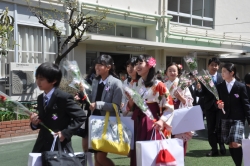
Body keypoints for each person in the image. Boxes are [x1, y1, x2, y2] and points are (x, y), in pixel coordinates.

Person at [124, 54, 174, 166]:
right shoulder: (136, 84)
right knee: (138, 154)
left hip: (151, 124)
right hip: (138, 122)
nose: (137, 66)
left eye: (140, 63)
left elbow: (169, 107)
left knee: (150, 154)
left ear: (149, 65)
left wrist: (161, 121)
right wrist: (130, 102)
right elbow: (130, 107)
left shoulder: (159, 85)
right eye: (136, 64)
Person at [30, 62, 86, 153]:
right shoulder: (40, 98)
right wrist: (34, 123)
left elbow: (81, 116)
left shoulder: (63, 97)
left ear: (54, 81)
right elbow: (44, 120)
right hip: (41, 145)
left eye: (41, 79)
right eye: (37, 78)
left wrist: (65, 133)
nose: (38, 81)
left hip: (59, 145)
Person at [87, 54, 123, 166]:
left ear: (108, 67)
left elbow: (116, 106)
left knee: (101, 157)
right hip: (95, 121)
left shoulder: (116, 83)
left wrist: (98, 104)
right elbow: (92, 99)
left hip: (107, 123)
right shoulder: (95, 81)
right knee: (97, 158)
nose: (96, 67)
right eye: (96, 65)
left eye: (100, 65)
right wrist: (83, 95)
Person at [217, 63, 250, 166]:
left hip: (238, 119)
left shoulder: (240, 86)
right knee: (231, 145)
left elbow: (246, 104)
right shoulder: (220, 86)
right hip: (225, 118)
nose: (222, 74)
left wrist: (249, 120)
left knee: (235, 143)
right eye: (221, 71)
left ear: (232, 73)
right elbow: (217, 101)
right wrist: (218, 105)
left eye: (224, 71)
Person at [196, 57, 226, 157]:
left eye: (216, 65)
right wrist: (199, 89)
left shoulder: (222, 77)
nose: (214, 67)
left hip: (221, 106)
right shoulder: (203, 78)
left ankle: (221, 145)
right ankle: (214, 149)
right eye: (212, 65)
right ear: (208, 66)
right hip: (209, 107)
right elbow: (201, 94)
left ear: (219, 66)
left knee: (221, 127)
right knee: (211, 128)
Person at [163, 62, 193, 154]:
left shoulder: (182, 85)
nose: (172, 72)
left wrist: (180, 98)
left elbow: (189, 101)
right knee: (168, 137)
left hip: (179, 112)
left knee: (181, 139)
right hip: (167, 112)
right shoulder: (163, 85)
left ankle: (181, 158)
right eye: (170, 70)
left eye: (174, 71)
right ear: (166, 73)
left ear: (178, 73)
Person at [74, 66, 96, 166]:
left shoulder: (104, 80)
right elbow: (83, 96)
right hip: (87, 112)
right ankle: (88, 162)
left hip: (98, 112)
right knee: (86, 137)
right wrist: (80, 96)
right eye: (97, 66)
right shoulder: (87, 80)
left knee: (95, 140)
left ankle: (94, 162)